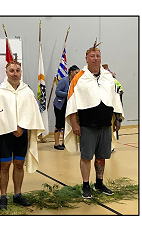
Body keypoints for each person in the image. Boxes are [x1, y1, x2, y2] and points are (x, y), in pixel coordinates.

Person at [64, 41, 123, 199]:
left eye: (98, 56)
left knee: (102, 156)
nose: (96, 58)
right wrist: (75, 123)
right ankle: (85, 185)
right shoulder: (79, 78)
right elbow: (72, 102)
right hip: (87, 125)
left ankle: (99, 183)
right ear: (86, 58)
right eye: (92, 56)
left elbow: (115, 98)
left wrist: (117, 119)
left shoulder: (108, 78)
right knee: (86, 156)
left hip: (105, 124)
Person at [0, 57, 45, 210]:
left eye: (17, 71)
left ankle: (17, 194)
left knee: (19, 164)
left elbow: (32, 113)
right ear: (6, 72)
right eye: (11, 71)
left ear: (21, 72)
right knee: (5, 165)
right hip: (5, 134)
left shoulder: (27, 91)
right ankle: (3, 196)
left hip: (22, 133)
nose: (15, 73)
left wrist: (22, 128)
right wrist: (11, 126)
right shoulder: (0, 92)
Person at [53, 65, 80, 150]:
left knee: (66, 124)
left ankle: (64, 143)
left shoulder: (76, 81)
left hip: (68, 106)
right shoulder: (64, 81)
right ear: (71, 72)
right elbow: (57, 92)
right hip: (60, 105)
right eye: (76, 72)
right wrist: (69, 94)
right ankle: (56, 143)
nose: (77, 74)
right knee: (59, 124)